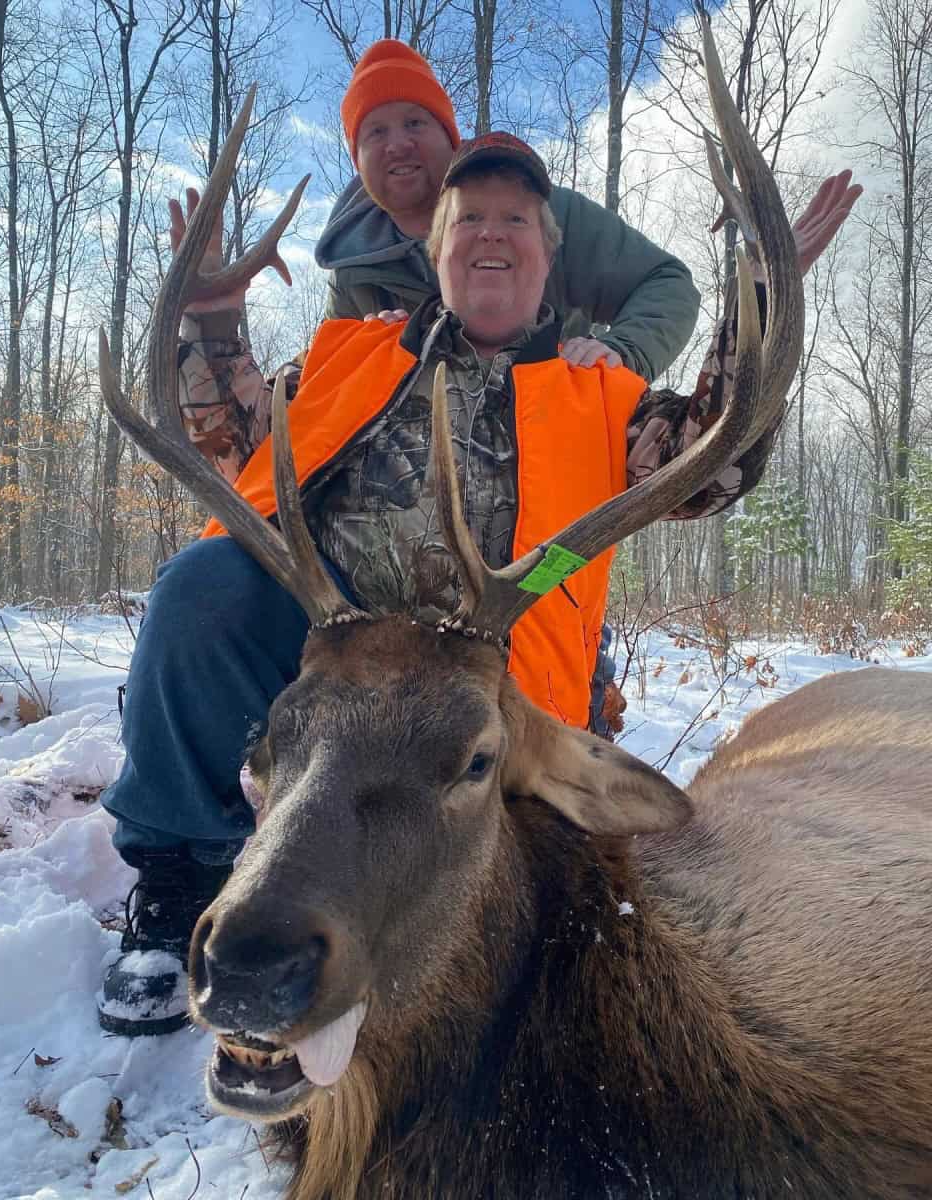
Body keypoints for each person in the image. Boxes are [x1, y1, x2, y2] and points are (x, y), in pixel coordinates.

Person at [98, 134, 861, 1038]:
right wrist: (216, 325)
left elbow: (710, 467)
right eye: (469, 220)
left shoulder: (604, 388)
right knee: (202, 586)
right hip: (342, 669)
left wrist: (758, 301)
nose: (491, 235)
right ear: (436, 252)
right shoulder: (351, 354)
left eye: (517, 221)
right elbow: (236, 445)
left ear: (548, 256)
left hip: (495, 695)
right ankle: (184, 874)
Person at [315, 40, 700, 381]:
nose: (397, 144)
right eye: (375, 132)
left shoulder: (546, 213)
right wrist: (363, 351)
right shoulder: (352, 270)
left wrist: (623, 354)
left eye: (414, 122)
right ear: (357, 159)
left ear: (449, 138)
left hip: (551, 436)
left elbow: (666, 283)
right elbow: (329, 388)